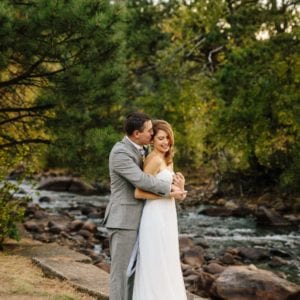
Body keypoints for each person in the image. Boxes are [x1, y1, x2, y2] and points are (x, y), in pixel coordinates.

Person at [103, 112, 186, 300]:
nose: (151, 133)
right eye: (149, 131)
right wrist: (170, 188)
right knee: (121, 273)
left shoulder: (145, 151)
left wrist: (177, 186)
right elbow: (141, 180)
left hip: (143, 218)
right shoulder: (120, 152)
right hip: (123, 220)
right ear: (136, 134)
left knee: (137, 272)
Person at [132, 119, 187, 300]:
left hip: (167, 215)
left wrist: (180, 189)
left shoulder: (167, 159)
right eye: (161, 138)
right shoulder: (153, 160)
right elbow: (139, 193)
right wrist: (171, 195)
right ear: (152, 140)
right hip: (154, 216)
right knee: (155, 261)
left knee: (167, 260)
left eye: (168, 139)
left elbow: (173, 192)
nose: (165, 142)